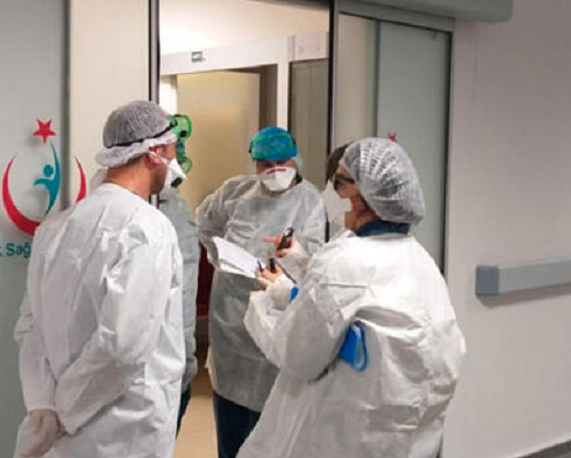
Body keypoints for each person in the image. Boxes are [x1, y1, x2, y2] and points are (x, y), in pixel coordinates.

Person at [238, 138, 466, 458]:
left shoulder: (345, 261)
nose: (332, 193)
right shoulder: (420, 260)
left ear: (361, 198)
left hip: (341, 437)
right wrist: (293, 284)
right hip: (407, 443)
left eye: (339, 184)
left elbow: (296, 354)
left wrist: (263, 305)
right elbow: (347, 303)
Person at [13, 100, 186, 458]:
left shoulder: (56, 228)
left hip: (60, 432)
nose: (175, 164)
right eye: (172, 152)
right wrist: (64, 411)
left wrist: (44, 407)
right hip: (125, 429)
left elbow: (29, 326)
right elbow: (122, 346)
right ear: (152, 154)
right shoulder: (147, 228)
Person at [195, 126, 326, 458]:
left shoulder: (310, 201)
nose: (275, 171)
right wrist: (220, 256)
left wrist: (291, 260)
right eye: (266, 165)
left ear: (295, 160)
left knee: (274, 435)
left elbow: (313, 264)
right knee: (232, 431)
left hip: (278, 320)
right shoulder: (235, 192)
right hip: (231, 322)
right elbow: (206, 223)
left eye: (282, 163)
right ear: (254, 163)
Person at [157, 114, 199, 432]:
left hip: (179, 356)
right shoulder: (137, 216)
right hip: (153, 366)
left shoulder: (178, 210)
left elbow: (185, 289)